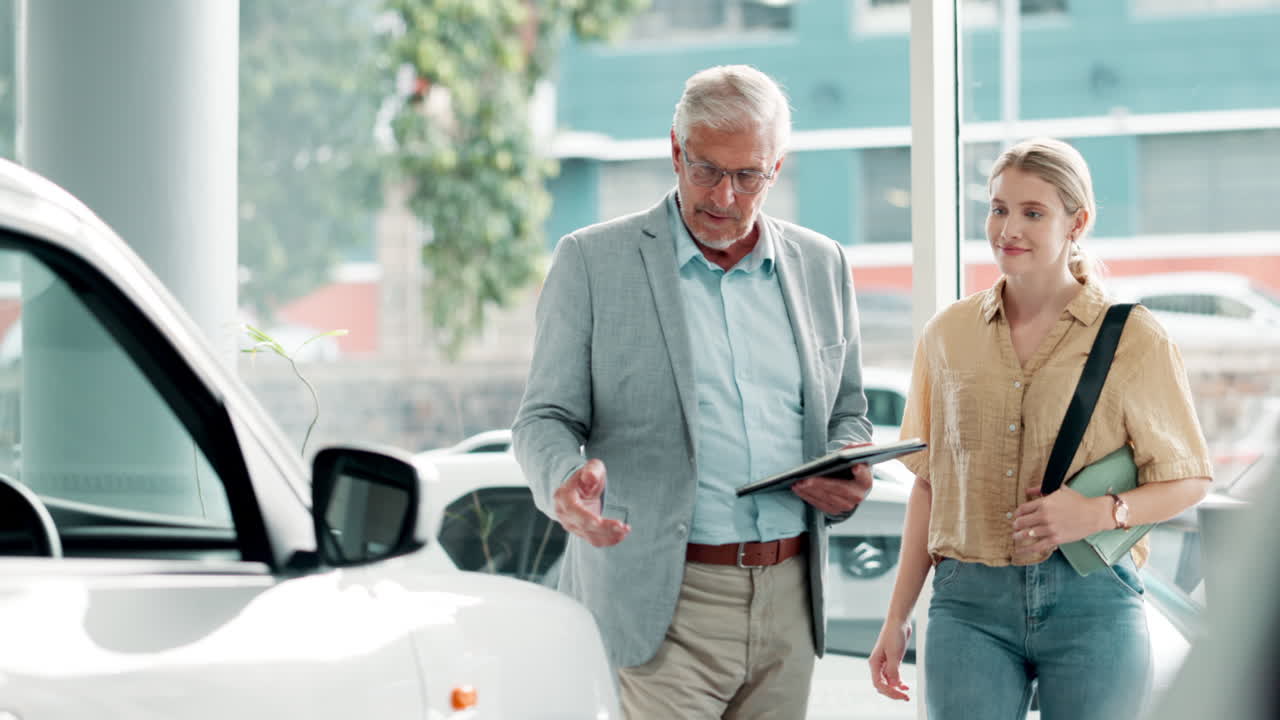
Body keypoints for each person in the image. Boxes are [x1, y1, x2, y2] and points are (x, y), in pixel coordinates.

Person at [512, 64, 875, 719]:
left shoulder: (823, 265)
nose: (725, 196)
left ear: (776, 169)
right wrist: (563, 481)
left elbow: (847, 410)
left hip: (791, 601)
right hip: (663, 602)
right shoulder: (593, 261)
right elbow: (545, 417)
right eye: (707, 169)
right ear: (676, 151)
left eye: (748, 176)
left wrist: (848, 466)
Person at [867, 137, 1213, 719]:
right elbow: (929, 484)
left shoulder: (1133, 336)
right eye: (998, 209)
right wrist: (897, 616)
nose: (1008, 230)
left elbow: (1191, 480)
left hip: (1093, 598)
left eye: (1033, 213)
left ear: (1078, 222)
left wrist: (1099, 513)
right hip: (967, 604)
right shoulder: (948, 334)